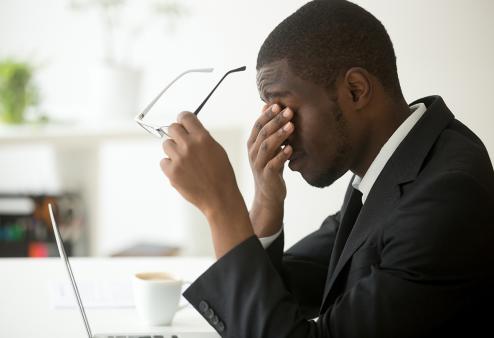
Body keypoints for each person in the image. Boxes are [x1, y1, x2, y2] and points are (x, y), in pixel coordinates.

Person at [159, 0, 494, 337]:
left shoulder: (446, 197)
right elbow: (283, 296)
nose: (277, 131)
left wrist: (221, 205)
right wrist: (265, 201)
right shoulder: (394, 165)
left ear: (355, 90)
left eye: (286, 108)